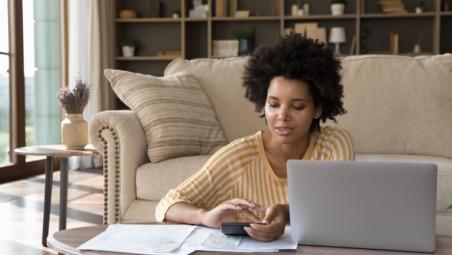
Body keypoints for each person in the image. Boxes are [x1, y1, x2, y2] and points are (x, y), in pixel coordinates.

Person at [155, 34, 354, 241]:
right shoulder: (239, 156)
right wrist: (205, 217)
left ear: (318, 109)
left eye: (297, 106)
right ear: (262, 103)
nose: (282, 116)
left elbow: (341, 209)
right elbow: (168, 204)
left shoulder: (333, 145)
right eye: (274, 104)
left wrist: (286, 213)